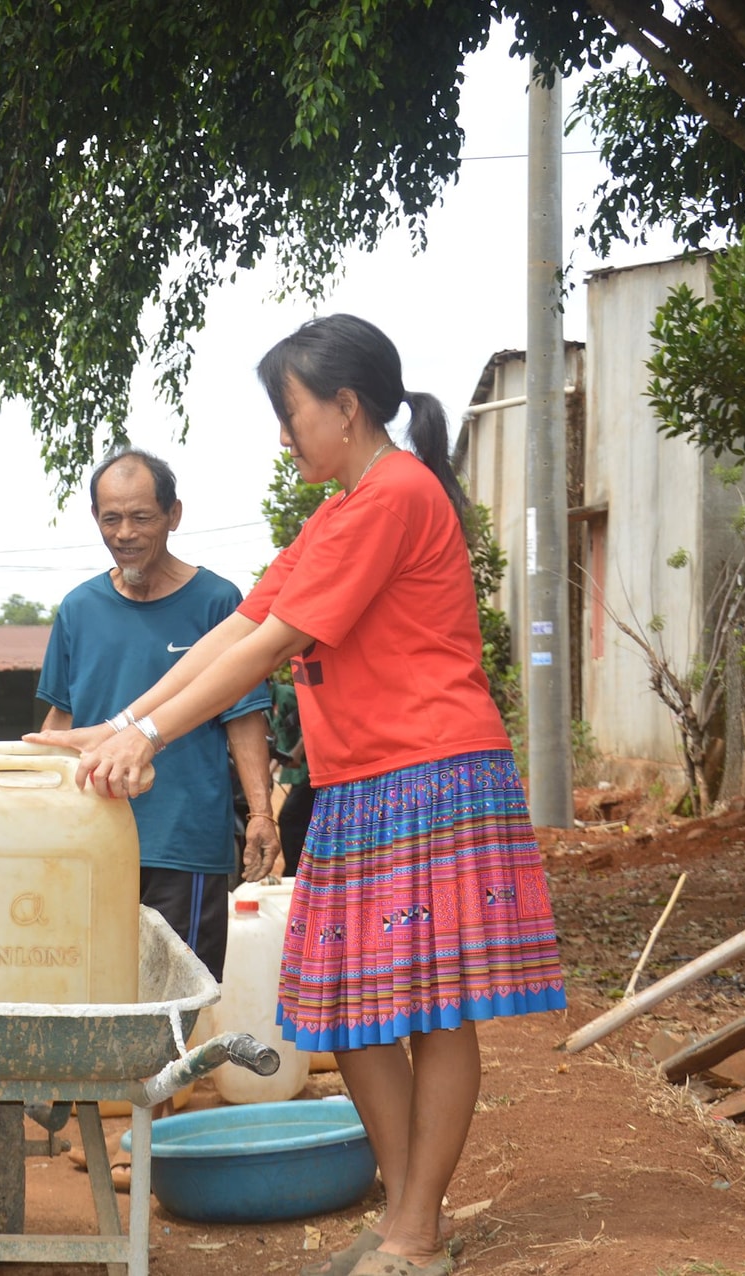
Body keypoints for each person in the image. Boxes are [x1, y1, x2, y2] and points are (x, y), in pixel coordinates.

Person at [31, 315, 566, 1276]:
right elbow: (238, 629)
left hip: (431, 776)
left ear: (345, 407)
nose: (285, 436)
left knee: (436, 1011)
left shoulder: (391, 497)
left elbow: (272, 649)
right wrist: (118, 727)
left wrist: (148, 734)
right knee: (345, 1009)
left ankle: (414, 1233)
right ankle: (409, 1216)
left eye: (292, 414)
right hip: (362, 782)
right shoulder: (338, 509)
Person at [34, 447, 278, 985]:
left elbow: (244, 716)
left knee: (174, 991)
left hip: (182, 841)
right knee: (91, 985)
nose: (125, 533)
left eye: (142, 517)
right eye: (110, 518)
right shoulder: (78, 609)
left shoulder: (218, 603)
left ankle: (174, 1075)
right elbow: (61, 721)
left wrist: (261, 812)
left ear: (174, 515)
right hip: (88, 838)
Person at [269, 679, 314, 869]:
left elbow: (310, 720)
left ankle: (294, 873)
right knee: (300, 821)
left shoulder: (286, 695)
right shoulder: (267, 705)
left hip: (310, 770)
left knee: (289, 818)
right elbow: (278, 742)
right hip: (298, 773)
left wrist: (297, 752)